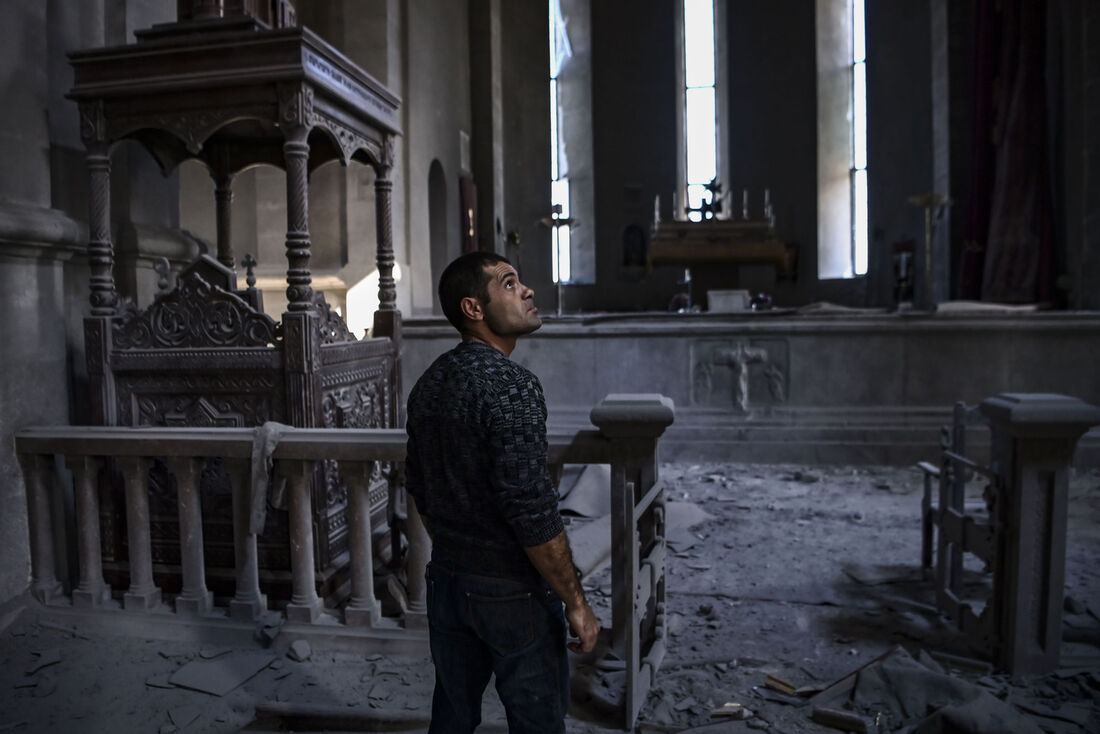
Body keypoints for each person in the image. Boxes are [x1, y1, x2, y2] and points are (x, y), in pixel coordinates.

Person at [405, 252, 600, 733]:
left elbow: (420, 487)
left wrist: (457, 548)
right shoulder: (511, 385)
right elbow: (532, 509)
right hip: (511, 592)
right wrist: (575, 601)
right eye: (510, 284)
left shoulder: (430, 383)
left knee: (450, 719)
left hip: (448, 580)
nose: (527, 290)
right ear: (474, 308)